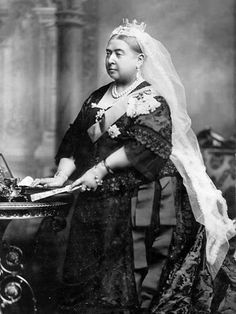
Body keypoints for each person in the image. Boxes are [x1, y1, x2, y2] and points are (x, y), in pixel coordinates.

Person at [33, 19, 236, 313]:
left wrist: (100, 169)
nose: (110, 59)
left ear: (139, 59)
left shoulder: (152, 99)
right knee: (83, 283)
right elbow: (74, 140)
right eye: (107, 53)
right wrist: (61, 175)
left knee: (128, 287)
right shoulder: (95, 98)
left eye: (119, 53)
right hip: (95, 201)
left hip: (138, 200)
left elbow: (148, 146)